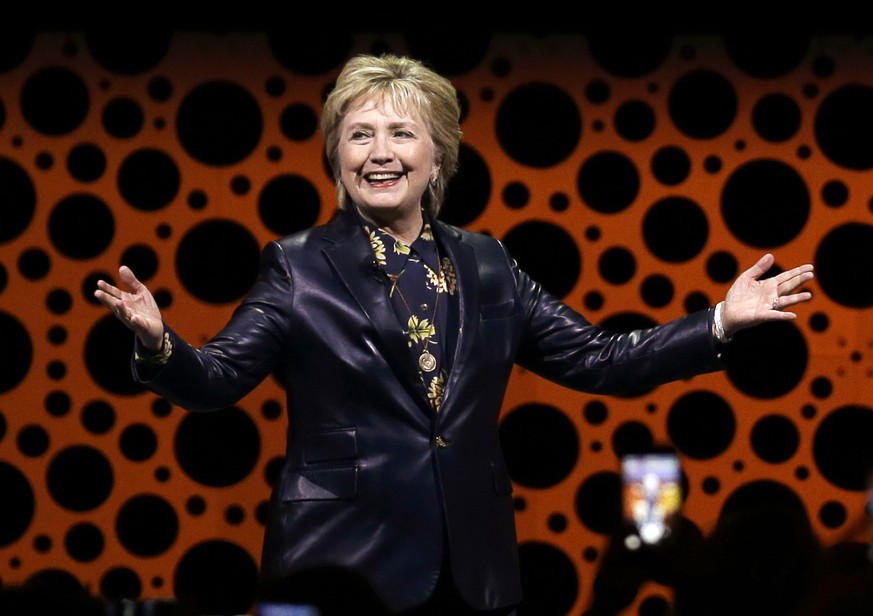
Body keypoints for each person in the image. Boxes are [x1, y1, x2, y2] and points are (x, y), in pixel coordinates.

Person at [94, 53, 815, 615]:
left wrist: (718, 321)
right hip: (342, 561)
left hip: (473, 567)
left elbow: (598, 359)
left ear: (436, 155)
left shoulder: (488, 263)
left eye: (401, 133)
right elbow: (217, 379)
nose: (379, 151)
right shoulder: (299, 266)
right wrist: (160, 343)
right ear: (336, 159)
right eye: (359, 134)